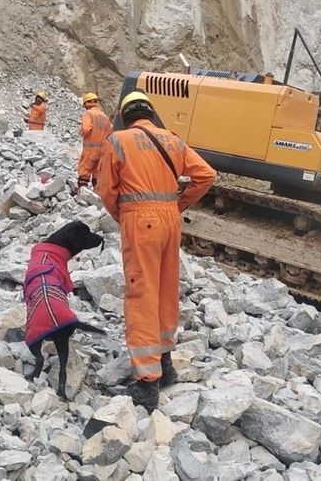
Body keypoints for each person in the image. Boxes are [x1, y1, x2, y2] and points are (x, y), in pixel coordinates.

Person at [95, 91, 216, 411]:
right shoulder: (173, 140)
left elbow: (107, 191)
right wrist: (177, 204)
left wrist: (126, 217)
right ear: (150, 112)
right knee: (165, 289)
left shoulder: (118, 140)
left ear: (125, 115)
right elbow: (206, 175)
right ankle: (165, 362)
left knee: (142, 294)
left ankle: (147, 383)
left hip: (141, 221)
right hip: (170, 221)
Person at [76, 92, 112, 191]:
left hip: (90, 150)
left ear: (87, 103)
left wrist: (81, 132)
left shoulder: (88, 114)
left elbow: (86, 129)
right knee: (97, 172)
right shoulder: (105, 117)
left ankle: (82, 193)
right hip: (103, 151)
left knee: (84, 171)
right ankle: (97, 194)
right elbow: (110, 134)